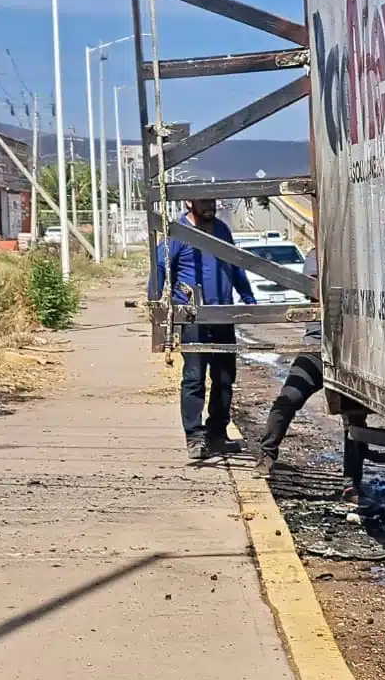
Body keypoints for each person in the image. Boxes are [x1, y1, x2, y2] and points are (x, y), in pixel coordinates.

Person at [149, 199, 257, 460]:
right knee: (195, 377)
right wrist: (158, 308)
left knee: (224, 378)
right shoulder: (179, 233)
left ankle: (217, 434)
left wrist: (248, 297)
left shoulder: (221, 229)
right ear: (189, 202)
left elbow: (235, 264)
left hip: (223, 314)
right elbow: (161, 267)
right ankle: (195, 438)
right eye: (204, 202)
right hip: (192, 317)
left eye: (212, 202)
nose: (210, 206)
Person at [256, 249, 368, 496]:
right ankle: (267, 454)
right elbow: (316, 291)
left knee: (355, 416)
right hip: (316, 348)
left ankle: (351, 482)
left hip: (351, 351)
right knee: (289, 398)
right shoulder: (317, 255)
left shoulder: (360, 253)